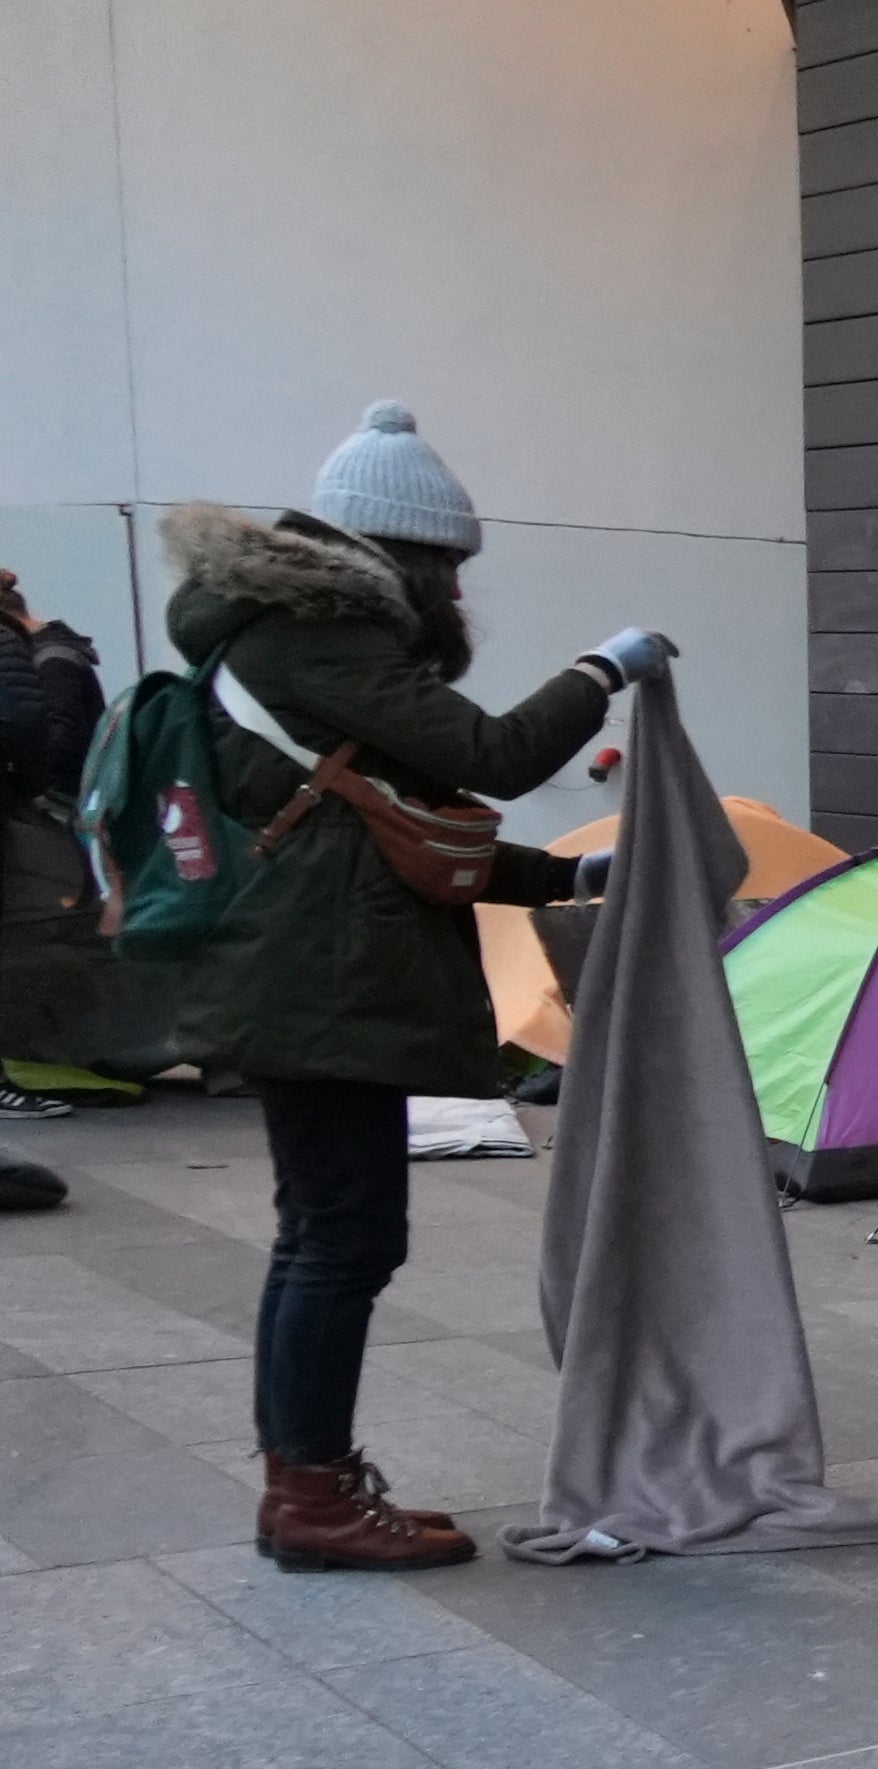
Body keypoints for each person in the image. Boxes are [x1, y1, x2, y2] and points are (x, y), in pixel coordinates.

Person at [166, 400, 668, 1572]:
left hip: (302, 969)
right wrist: (605, 669)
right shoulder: (314, 637)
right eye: (446, 566)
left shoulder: (287, 642)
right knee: (342, 1241)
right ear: (403, 555)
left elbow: (393, 830)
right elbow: (489, 759)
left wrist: (565, 872)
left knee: (325, 1236)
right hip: (322, 982)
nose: (455, 594)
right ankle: (313, 1495)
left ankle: (311, 1484)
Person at [0, 572, 106, 1117]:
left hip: (42, 808)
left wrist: (26, 790)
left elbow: (46, 734)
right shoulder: (52, 653)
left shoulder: (50, 658)